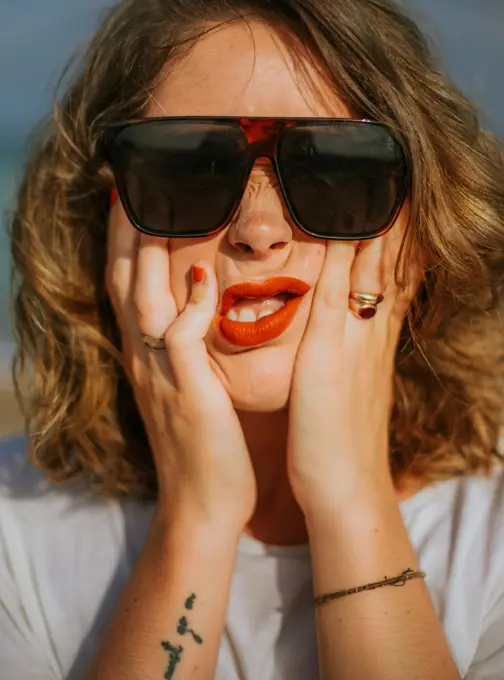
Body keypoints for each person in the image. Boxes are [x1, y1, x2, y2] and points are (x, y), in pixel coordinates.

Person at [1, 0, 504, 678]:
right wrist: (197, 519)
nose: (258, 230)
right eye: (191, 167)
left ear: (420, 226)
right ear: (105, 212)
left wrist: (350, 497)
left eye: (335, 166)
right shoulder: (14, 530)